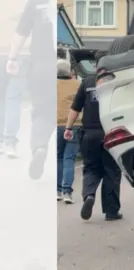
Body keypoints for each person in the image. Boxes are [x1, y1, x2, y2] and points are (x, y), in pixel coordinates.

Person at [64, 50, 123, 221]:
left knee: (91, 168)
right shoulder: (117, 81)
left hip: (89, 134)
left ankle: (89, 195)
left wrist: (68, 128)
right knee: (111, 171)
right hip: (111, 134)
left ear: (95, 64)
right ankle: (111, 212)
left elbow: (75, 108)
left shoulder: (87, 82)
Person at [6, 0, 56, 179]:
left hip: (39, 66)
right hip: (61, 64)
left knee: (41, 110)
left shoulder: (35, 3)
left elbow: (21, 33)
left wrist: (12, 59)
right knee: (57, 110)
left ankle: (40, 146)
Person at [57, 59, 81, 203]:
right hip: (75, 124)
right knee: (69, 159)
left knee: (58, 157)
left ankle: (57, 190)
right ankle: (67, 192)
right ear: (70, 71)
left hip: (56, 123)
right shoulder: (78, 84)